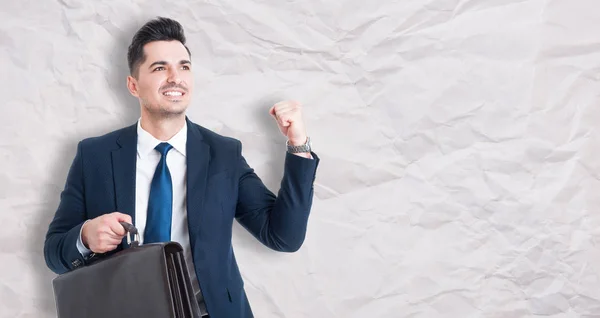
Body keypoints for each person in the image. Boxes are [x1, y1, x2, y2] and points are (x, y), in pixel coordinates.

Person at [43, 16, 319, 318]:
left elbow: (283, 236)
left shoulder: (223, 154)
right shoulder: (94, 155)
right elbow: (54, 252)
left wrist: (298, 145)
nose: (176, 77)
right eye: (160, 67)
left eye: (184, 67)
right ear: (133, 85)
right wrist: (84, 236)